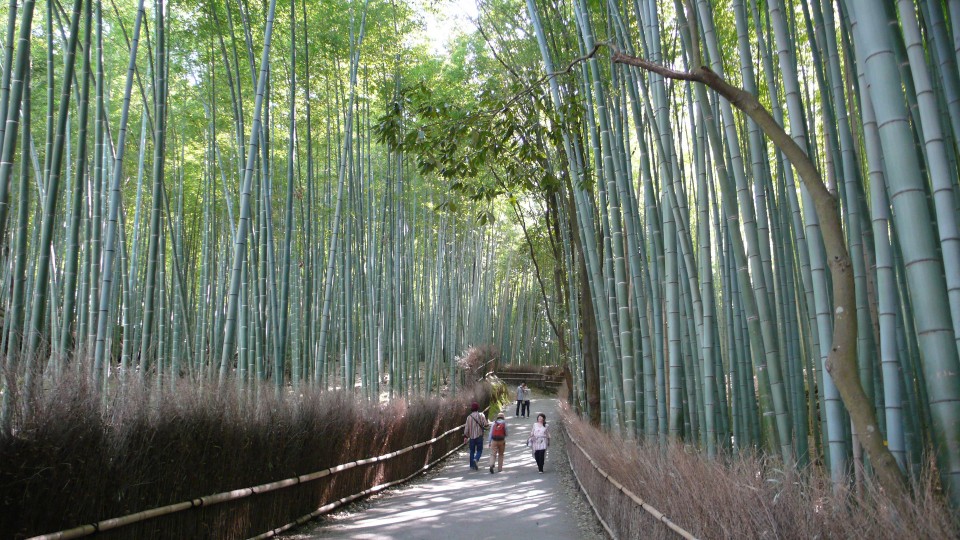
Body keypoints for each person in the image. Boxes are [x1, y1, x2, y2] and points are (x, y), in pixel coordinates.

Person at [463, 402, 489, 470]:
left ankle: (472, 465)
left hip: (471, 437)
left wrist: (465, 436)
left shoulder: (469, 417)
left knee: (472, 451)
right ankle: (476, 459)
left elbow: (466, 428)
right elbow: (486, 424)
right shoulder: (481, 415)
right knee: (479, 450)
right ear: (478, 408)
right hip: (479, 436)